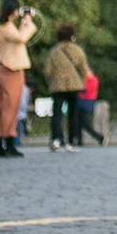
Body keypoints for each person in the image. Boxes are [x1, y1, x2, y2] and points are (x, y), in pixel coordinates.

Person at [0, 0, 36, 158]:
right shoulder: (6, 27)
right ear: (13, 11)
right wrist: (28, 21)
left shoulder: (0, 27)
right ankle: (7, 143)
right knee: (10, 108)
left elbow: (17, 39)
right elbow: (22, 38)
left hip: (0, 69)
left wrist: (23, 23)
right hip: (10, 70)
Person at [43, 24, 91, 152]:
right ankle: (71, 141)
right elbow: (85, 70)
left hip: (57, 87)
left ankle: (56, 139)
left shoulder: (54, 51)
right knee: (73, 115)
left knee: (57, 114)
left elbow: (47, 71)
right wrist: (82, 81)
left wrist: (51, 81)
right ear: (72, 36)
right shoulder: (78, 50)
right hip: (75, 86)